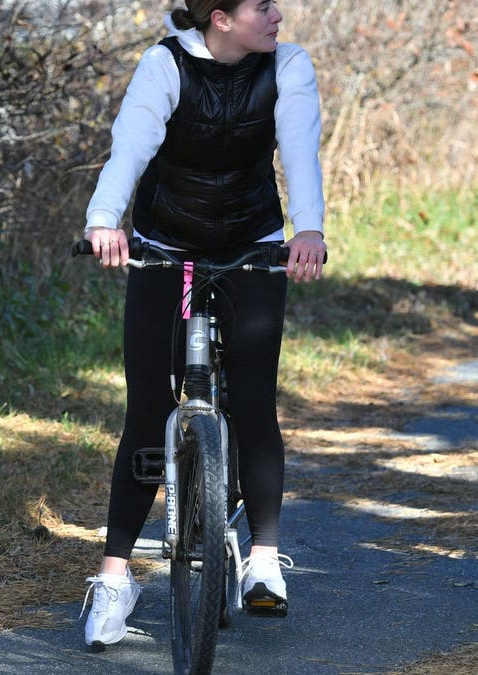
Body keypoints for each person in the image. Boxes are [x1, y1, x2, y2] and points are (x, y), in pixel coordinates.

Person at [78, 0, 326, 650]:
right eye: (261, 6)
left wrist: (309, 229)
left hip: (251, 241)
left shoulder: (288, 67)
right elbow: (130, 147)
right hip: (165, 242)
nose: (278, 14)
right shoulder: (163, 66)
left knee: (251, 400)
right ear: (220, 17)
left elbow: (299, 151)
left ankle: (264, 560)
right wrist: (104, 220)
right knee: (146, 410)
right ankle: (113, 580)